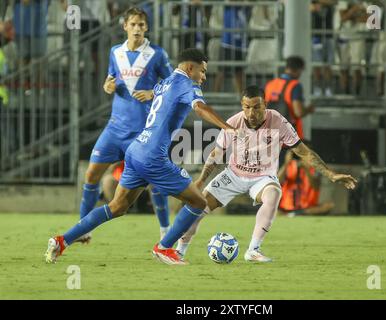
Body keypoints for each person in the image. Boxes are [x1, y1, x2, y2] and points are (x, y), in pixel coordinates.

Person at [45, 48, 241, 265]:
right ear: (190, 67)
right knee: (198, 201)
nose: (204, 77)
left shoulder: (165, 82)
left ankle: (62, 241)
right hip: (153, 157)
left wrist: (148, 93)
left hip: (136, 150)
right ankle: (164, 248)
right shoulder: (187, 84)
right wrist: (228, 128)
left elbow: (155, 94)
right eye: (202, 71)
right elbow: (201, 109)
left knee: (116, 207)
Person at [174, 86, 357, 263]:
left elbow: (304, 152)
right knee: (198, 207)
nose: (251, 113)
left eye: (256, 108)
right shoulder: (233, 123)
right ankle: (179, 253)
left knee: (274, 194)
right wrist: (200, 180)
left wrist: (331, 175)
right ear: (242, 106)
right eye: (246, 108)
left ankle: (253, 250)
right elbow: (216, 154)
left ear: (265, 105)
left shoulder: (278, 121)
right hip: (234, 174)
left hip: (262, 177)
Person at [75, 7, 173, 244]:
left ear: (146, 27)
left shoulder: (157, 54)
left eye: (141, 24)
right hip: (115, 128)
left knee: (154, 182)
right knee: (91, 175)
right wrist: (107, 86)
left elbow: (173, 84)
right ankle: (82, 229)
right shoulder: (115, 52)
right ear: (125, 27)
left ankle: (165, 231)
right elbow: (110, 80)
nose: (137, 28)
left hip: (142, 131)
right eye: (133, 24)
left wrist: (152, 92)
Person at [265, 56, 315, 140]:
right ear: (299, 69)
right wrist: (309, 109)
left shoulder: (270, 84)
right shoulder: (295, 85)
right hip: (290, 138)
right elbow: (299, 112)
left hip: (270, 136)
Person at [278, 149, 335, 216]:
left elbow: (316, 186)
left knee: (329, 206)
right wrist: (286, 164)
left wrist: (306, 169)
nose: (301, 158)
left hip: (307, 208)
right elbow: (276, 181)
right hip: (287, 206)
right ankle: (293, 214)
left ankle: (294, 214)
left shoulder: (314, 169)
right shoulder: (288, 167)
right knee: (272, 208)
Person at [311, 0, 336, 97]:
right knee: (316, 64)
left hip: (328, 34)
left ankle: (328, 88)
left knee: (328, 64)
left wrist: (320, 3)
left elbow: (334, 2)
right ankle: (317, 88)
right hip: (315, 35)